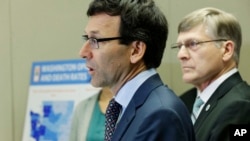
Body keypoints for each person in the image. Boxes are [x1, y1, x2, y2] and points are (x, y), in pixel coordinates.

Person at [79, 0, 195, 141]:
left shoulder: (161, 114)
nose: (83, 52)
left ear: (136, 50)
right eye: (86, 38)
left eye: (95, 40)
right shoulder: (128, 107)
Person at [172, 7, 250, 141]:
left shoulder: (241, 106)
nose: (181, 55)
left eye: (193, 44)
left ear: (226, 50)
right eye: (179, 46)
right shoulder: (183, 102)